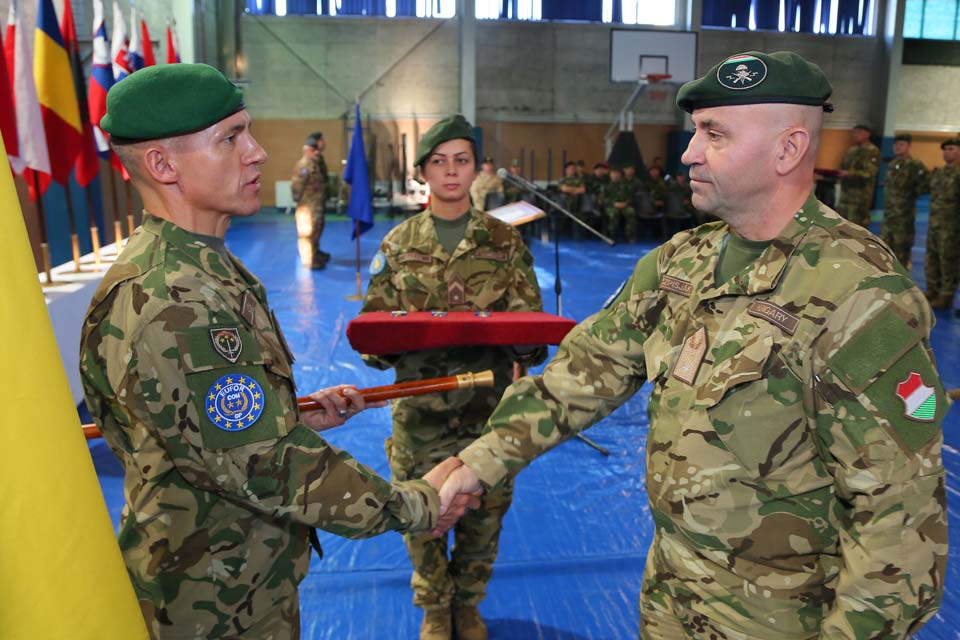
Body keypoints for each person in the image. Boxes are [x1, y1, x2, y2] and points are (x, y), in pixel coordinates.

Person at [436, 51, 948, 639]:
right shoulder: (683, 262)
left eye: (714, 134)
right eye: (695, 131)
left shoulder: (859, 294)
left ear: (789, 149)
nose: (689, 152)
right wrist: (479, 463)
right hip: (670, 597)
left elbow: (898, 521)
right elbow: (582, 373)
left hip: (782, 620)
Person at [82, 64, 475, 639]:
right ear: (164, 166)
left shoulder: (198, 264)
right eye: (230, 139)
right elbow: (267, 465)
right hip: (210, 599)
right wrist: (414, 505)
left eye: (249, 132)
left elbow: (207, 428)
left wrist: (290, 414)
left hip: (234, 576)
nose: (258, 153)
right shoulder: (175, 299)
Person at [360, 114, 546, 640]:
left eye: (461, 160)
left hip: (489, 415)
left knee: (483, 520)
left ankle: (467, 604)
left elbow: (528, 327)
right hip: (419, 413)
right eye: (438, 162)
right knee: (419, 519)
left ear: (475, 169)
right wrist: (388, 343)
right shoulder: (398, 245)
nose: (450, 172)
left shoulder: (504, 242)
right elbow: (373, 334)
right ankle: (436, 608)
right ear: (423, 172)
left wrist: (527, 339)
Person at [880, 133, 928, 268]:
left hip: (903, 216)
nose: (897, 147)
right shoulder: (893, 164)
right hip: (889, 215)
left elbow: (924, 186)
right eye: (895, 144)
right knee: (885, 249)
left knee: (901, 250)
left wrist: (909, 194)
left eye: (901, 144)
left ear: (908, 146)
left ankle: (902, 281)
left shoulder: (915, 165)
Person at [925, 137, 960, 310]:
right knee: (932, 258)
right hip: (935, 224)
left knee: (948, 261)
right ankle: (932, 290)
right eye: (945, 149)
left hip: (951, 227)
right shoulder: (939, 173)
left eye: (951, 149)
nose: (947, 152)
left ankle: (946, 295)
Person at [291, 130, 329, 269]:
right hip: (307, 207)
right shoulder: (303, 166)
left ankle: (315, 253)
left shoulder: (314, 164)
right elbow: (296, 187)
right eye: (314, 151)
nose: (317, 153)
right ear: (308, 150)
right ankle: (308, 260)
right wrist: (302, 204)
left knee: (316, 231)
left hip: (316, 205)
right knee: (306, 234)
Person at [836, 123, 880, 228]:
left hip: (860, 197)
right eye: (854, 132)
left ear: (868, 134)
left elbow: (869, 173)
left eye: (859, 132)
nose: (855, 135)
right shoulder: (851, 150)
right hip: (846, 196)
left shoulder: (872, 151)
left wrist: (849, 174)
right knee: (842, 226)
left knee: (857, 227)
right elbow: (842, 167)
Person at [602, 166, 637, 242]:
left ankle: (630, 236)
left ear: (620, 175)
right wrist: (613, 204)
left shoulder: (626, 186)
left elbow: (631, 197)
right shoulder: (606, 186)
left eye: (617, 174)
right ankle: (612, 236)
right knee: (613, 214)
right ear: (610, 175)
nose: (615, 175)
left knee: (631, 212)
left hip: (625, 206)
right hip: (611, 206)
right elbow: (602, 199)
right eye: (613, 174)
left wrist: (625, 204)